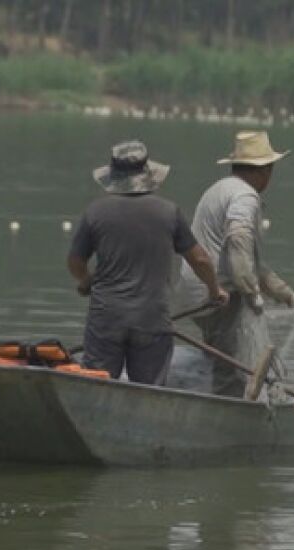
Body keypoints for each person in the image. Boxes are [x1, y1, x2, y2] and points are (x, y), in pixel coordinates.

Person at [68, 140, 227, 385]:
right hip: (151, 319)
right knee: (150, 390)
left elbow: (75, 261)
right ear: (147, 174)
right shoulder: (169, 212)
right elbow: (200, 259)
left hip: (106, 317)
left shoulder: (95, 212)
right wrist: (215, 291)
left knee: (96, 383)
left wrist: (86, 282)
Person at [177, 131, 294, 397]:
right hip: (218, 293)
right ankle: (227, 412)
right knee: (230, 365)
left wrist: (286, 295)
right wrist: (251, 294)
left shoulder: (220, 189)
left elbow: (252, 264)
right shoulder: (245, 197)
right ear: (264, 170)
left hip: (195, 289)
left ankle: (213, 398)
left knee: (220, 355)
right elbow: (239, 240)